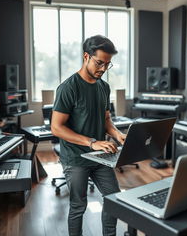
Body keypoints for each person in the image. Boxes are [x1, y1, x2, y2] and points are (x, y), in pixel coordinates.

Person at [51, 35, 126, 236]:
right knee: (78, 206)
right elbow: (56, 128)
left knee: (113, 198)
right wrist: (91, 142)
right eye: (99, 63)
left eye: (107, 64)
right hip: (75, 157)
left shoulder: (104, 87)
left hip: (100, 156)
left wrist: (118, 135)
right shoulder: (68, 87)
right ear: (86, 56)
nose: (103, 69)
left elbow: (106, 120)